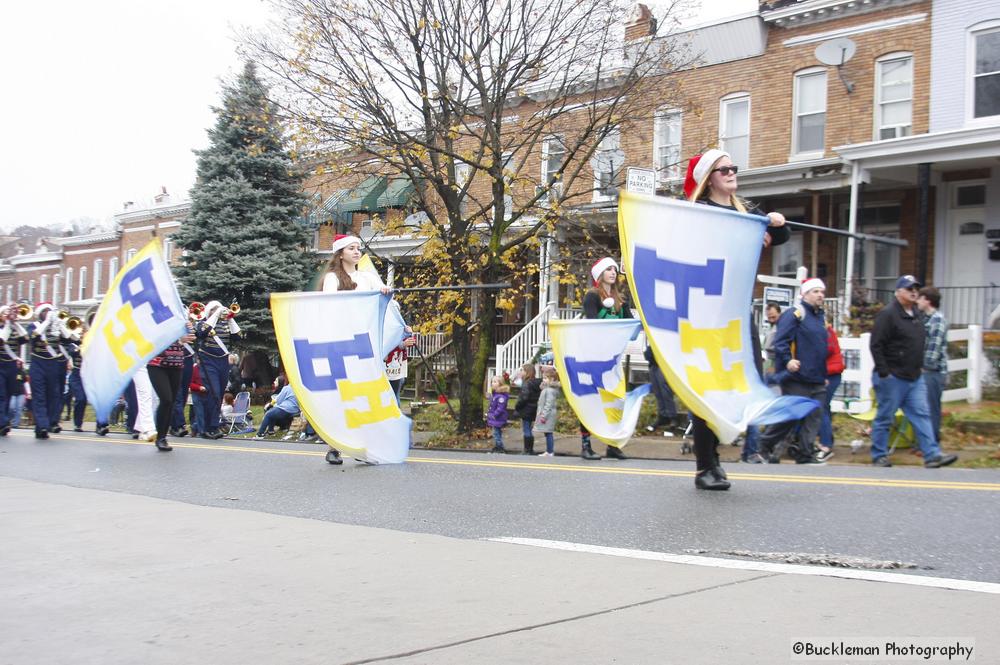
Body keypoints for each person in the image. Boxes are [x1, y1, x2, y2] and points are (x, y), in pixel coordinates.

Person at [684, 149, 789, 490]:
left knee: (745, 379)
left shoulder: (746, 211)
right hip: (709, 311)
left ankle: (718, 454)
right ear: (709, 178)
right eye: (723, 169)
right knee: (709, 389)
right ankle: (706, 464)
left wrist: (775, 223)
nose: (731, 173)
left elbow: (781, 237)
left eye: (733, 168)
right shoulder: (699, 213)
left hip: (738, 313)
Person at [869, 275, 957, 469]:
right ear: (898, 292)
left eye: (916, 288)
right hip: (892, 376)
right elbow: (876, 344)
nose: (914, 291)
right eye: (909, 288)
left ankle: (932, 455)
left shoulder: (916, 313)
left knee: (922, 415)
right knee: (885, 416)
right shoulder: (888, 314)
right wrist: (884, 372)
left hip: (914, 377)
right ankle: (879, 455)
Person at [319, 234, 391, 465]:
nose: (357, 252)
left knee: (363, 394)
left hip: (362, 342)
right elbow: (329, 306)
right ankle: (334, 447)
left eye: (358, 248)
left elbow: (382, 291)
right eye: (351, 248)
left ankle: (363, 447)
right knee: (341, 395)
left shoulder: (367, 276)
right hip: (340, 342)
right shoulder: (332, 278)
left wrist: (384, 291)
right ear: (341, 253)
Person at [756, 279, 828, 465]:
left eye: (822, 291)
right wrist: (788, 361)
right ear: (804, 294)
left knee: (814, 416)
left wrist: (824, 374)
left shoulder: (820, 317)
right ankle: (763, 445)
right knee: (791, 415)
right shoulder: (795, 314)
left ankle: (805, 453)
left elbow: (820, 348)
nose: (820, 295)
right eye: (815, 291)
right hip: (797, 377)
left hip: (817, 377)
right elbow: (781, 341)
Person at [578, 256, 632, 460]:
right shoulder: (592, 296)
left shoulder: (621, 299)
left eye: (615, 269)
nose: (613, 272)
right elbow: (590, 323)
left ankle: (612, 445)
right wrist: (604, 309)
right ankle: (586, 445)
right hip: (594, 356)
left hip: (613, 358)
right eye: (608, 269)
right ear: (600, 274)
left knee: (616, 401)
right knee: (591, 400)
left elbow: (628, 323)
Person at [146, 322, 197, 451]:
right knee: (166, 399)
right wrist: (178, 339)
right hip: (157, 364)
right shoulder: (154, 319)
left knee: (171, 402)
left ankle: (163, 436)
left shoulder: (179, 317)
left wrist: (189, 329)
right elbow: (153, 339)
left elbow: (192, 335)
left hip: (177, 364)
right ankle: (161, 438)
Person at [194, 301, 241, 439]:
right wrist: (215, 314)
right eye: (214, 309)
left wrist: (231, 318)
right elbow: (201, 333)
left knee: (219, 393)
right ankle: (208, 427)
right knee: (212, 392)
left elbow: (238, 336)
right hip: (208, 361)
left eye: (219, 308)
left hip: (222, 361)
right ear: (209, 311)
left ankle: (211, 426)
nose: (219, 311)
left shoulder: (225, 324)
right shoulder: (203, 323)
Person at [27, 303, 73, 439]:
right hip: (37, 363)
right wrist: (47, 321)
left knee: (53, 395)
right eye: (45, 311)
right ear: (40, 313)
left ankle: (47, 423)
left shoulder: (55, 328)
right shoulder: (34, 326)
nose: (48, 313)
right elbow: (34, 337)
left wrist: (59, 324)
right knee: (39, 396)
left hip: (52, 364)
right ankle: (42, 426)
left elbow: (68, 338)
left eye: (50, 311)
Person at [917, 286, 948, 446]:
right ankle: (922, 442)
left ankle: (932, 443)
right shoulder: (924, 318)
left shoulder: (937, 319)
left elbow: (933, 348)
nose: (918, 301)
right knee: (922, 408)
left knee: (932, 408)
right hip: (923, 371)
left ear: (927, 300)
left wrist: (925, 366)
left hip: (933, 372)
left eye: (920, 298)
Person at [816, 322, 845, 462]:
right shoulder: (823, 328)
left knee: (820, 408)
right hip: (828, 373)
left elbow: (827, 349)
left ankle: (825, 445)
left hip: (829, 374)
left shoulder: (824, 329)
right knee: (824, 407)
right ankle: (828, 440)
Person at [0, 305, 30, 436]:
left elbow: (25, 339)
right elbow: (1, 340)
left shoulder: (13, 329)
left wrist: (16, 323)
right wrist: (7, 323)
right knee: (1, 395)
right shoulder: (4, 329)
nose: (8, 314)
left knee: (8, 395)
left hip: (11, 366)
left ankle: (3, 422)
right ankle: (3, 422)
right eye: (5, 313)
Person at [514, 363, 542, 454]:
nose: (520, 372)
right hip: (533, 409)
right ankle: (530, 449)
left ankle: (527, 450)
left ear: (527, 372)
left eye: (522, 370)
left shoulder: (526, 384)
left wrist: (518, 406)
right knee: (529, 428)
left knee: (526, 429)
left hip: (526, 409)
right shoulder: (537, 383)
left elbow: (524, 397)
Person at [64, 323, 87, 432]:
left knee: (89, 399)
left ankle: (101, 426)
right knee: (80, 398)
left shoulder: (93, 345)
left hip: (88, 376)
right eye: (82, 333)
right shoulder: (73, 344)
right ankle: (78, 424)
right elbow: (72, 352)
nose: (83, 335)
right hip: (76, 375)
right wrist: (83, 345)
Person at [533, 366, 560, 457]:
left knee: (548, 433)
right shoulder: (547, 389)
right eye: (543, 378)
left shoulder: (549, 390)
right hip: (547, 414)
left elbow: (548, 404)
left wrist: (544, 416)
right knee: (547, 432)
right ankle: (548, 451)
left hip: (548, 415)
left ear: (551, 379)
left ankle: (550, 451)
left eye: (545, 378)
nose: (543, 380)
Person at [486, 375, 510, 454]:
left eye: (495, 382)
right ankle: (498, 446)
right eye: (492, 381)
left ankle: (500, 447)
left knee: (496, 433)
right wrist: (490, 397)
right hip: (495, 418)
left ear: (500, 384)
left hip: (498, 418)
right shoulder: (496, 394)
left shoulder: (501, 396)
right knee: (496, 432)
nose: (492, 383)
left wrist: (494, 415)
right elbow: (494, 404)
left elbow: (500, 408)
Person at [189, 362, 209, 438]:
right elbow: (190, 383)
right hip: (197, 393)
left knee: (205, 413)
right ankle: (202, 431)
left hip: (207, 393)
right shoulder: (195, 369)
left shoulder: (209, 368)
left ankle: (194, 427)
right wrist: (199, 387)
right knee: (199, 413)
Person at [9, 360, 28, 428]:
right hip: (12, 393)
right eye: (17, 364)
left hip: (21, 393)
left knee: (19, 409)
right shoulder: (10, 372)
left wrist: (29, 393)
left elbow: (26, 383)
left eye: (19, 364)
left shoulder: (23, 372)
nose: (18, 365)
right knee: (11, 407)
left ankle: (15, 424)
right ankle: (8, 420)